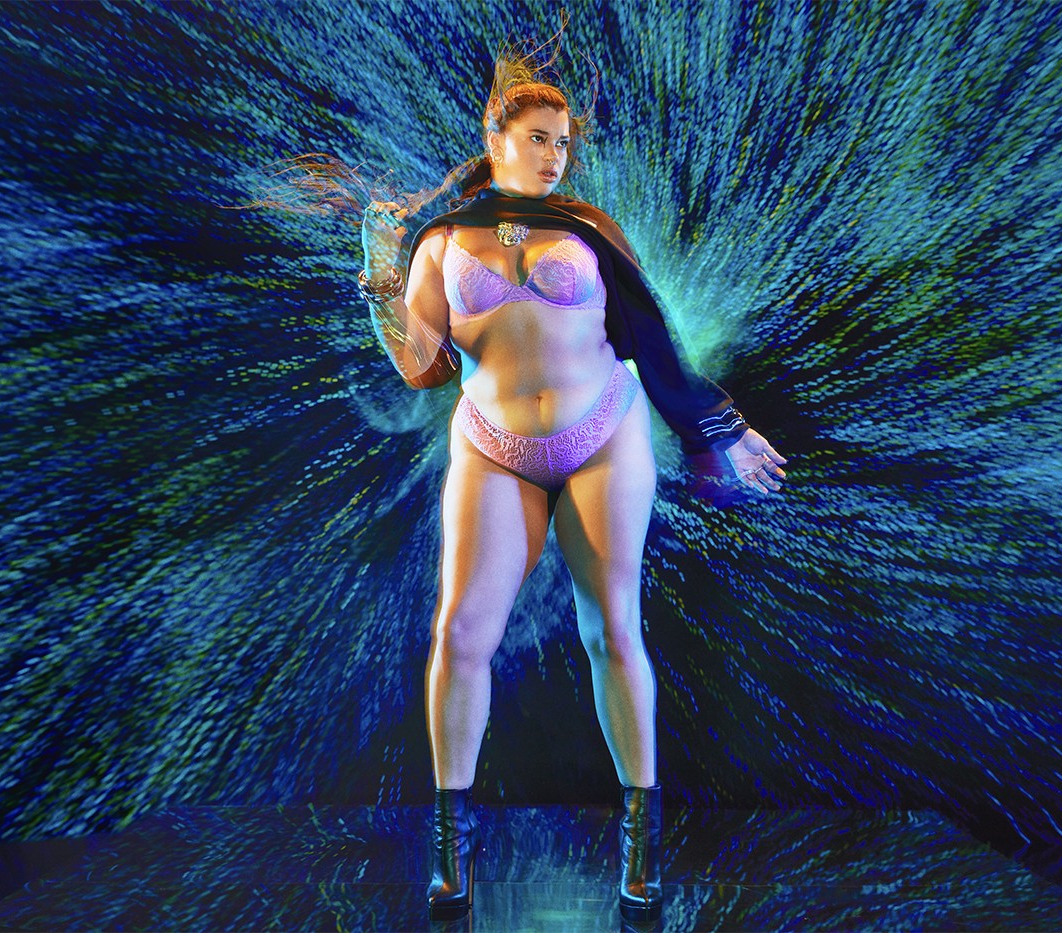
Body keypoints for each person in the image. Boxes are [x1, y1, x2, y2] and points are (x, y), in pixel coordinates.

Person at [325, 40, 786, 923]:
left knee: (613, 628)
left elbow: (651, 337)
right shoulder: (439, 242)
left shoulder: (585, 228)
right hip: (492, 442)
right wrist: (381, 273)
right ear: (495, 138)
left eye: (563, 143)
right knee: (460, 632)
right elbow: (419, 365)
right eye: (538, 138)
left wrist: (720, 426)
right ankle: (450, 854)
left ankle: (642, 849)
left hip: (602, 431)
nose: (554, 156)